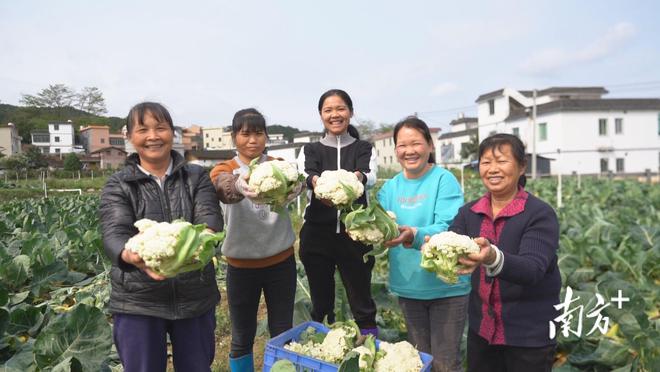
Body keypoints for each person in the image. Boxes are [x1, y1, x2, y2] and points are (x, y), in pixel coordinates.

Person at [99, 102, 222, 372]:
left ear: (172, 134)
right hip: (138, 300)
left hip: (194, 296)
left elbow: (208, 217)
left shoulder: (197, 176)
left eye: (161, 128)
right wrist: (130, 254)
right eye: (143, 129)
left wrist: (203, 242)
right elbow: (114, 231)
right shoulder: (118, 183)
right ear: (130, 137)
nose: (153, 136)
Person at [450, 133, 560, 372]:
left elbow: (533, 269)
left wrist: (492, 257)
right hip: (482, 332)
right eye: (486, 162)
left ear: (522, 167)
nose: (492, 169)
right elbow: (451, 240)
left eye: (502, 161)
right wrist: (431, 244)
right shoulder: (469, 213)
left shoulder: (539, 214)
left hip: (529, 336)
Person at [209, 108, 301, 372]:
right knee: (241, 337)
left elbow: (298, 182)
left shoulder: (278, 165)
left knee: (282, 331)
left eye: (258, 133)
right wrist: (238, 185)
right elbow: (222, 185)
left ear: (266, 136)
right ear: (234, 137)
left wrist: (298, 186)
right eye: (245, 134)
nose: (252, 140)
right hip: (241, 267)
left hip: (281, 263)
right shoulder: (223, 169)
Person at [378, 116, 467, 372]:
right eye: (402, 145)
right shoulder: (390, 188)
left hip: (446, 288)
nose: (409, 151)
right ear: (395, 150)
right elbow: (379, 226)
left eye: (416, 143)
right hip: (409, 287)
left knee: (446, 364)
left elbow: (449, 227)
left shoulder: (443, 179)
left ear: (430, 145)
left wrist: (413, 234)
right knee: (419, 363)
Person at [299, 89, 378, 336]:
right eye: (328, 110)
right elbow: (304, 174)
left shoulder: (364, 148)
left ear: (351, 113)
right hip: (317, 236)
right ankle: (325, 353)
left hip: (355, 236)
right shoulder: (310, 149)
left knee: (362, 302)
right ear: (321, 115)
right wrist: (315, 182)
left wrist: (357, 178)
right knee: (321, 303)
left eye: (341, 108)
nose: (335, 114)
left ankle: (367, 352)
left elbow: (371, 175)